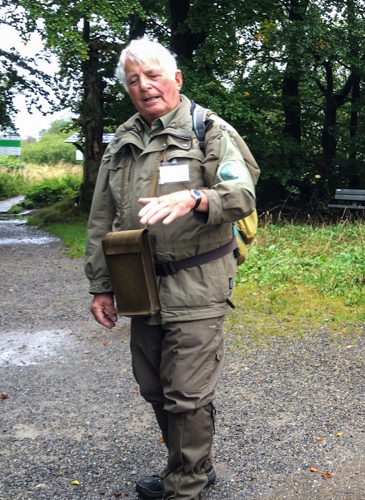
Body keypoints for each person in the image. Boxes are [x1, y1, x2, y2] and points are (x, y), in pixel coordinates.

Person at [84, 38, 258, 500]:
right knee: (155, 387)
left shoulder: (209, 131)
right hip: (139, 284)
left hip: (197, 281)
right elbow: (102, 217)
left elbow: (242, 195)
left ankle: (185, 485)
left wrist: (196, 197)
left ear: (176, 78)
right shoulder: (123, 140)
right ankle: (195, 464)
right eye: (134, 80)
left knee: (186, 392)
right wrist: (101, 286)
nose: (144, 86)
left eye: (153, 75)